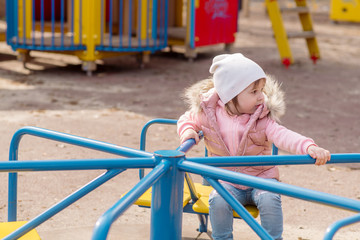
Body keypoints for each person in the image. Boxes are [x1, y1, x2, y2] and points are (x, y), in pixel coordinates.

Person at [177, 53, 331, 240]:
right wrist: (187, 132)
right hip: (227, 180)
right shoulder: (208, 114)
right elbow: (186, 119)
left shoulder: (261, 117)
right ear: (230, 94)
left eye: (262, 90)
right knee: (217, 201)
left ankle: (272, 238)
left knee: (269, 198)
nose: (261, 97)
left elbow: (284, 135)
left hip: (260, 178)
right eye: (254, 91)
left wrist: (308, 146)